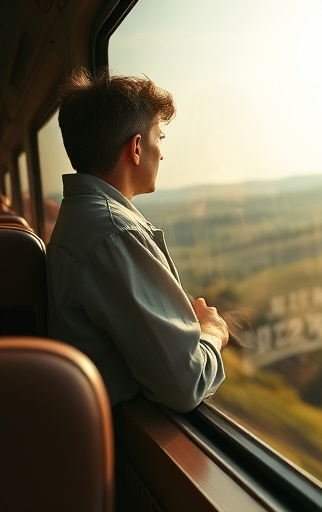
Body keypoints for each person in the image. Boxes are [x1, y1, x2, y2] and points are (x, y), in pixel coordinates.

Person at [47, 67, 229, 413]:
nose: (162, 153)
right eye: (159, 138)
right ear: (136, 147)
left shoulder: (81, 215)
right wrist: (211, 333)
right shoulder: (115, 233)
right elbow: (185, 384)